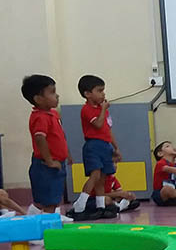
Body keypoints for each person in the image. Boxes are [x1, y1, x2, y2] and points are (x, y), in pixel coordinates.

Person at [70, 75, 119, 220]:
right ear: (87, 94)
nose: (103, 94)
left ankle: (101, 207)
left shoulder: (103, 110)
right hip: (93, 145)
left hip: (105, 145)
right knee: (95, 175)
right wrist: (103, 109)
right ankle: (80, 205)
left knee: (102, 178)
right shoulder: (86, 109)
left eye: (103, 90)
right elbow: (98, 124)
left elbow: (107, 129)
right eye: (99, 91)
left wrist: (116, 147)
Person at [23, 74, 71, 219]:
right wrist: (49, 160)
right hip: (46, 165)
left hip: (57, 162)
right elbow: (40, 138)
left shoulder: (53, 114)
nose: (57, 96)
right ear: (38, 99)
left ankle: (33, 219)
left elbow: (60, 136)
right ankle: (45, 225)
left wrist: (67, 153)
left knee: (52, 197)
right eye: (52, 92)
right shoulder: (40, 117)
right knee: (48, 201)